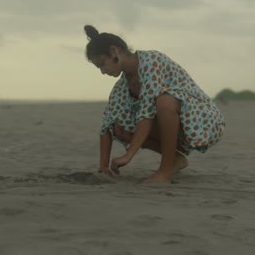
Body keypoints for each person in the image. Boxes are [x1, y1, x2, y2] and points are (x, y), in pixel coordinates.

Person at [84, 25, 225, 183]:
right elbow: (106, 126)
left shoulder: (152, 61)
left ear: (114, 51)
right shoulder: (122, 88)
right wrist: (104, 167)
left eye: (102, 64)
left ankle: (165, 172)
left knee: (164, 101)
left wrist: (129, 155)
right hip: (176, 129)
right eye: (99, 67)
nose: (103, 71)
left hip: (203, 121)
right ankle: (176, 159)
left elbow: (147, 114)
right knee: (119, 127)